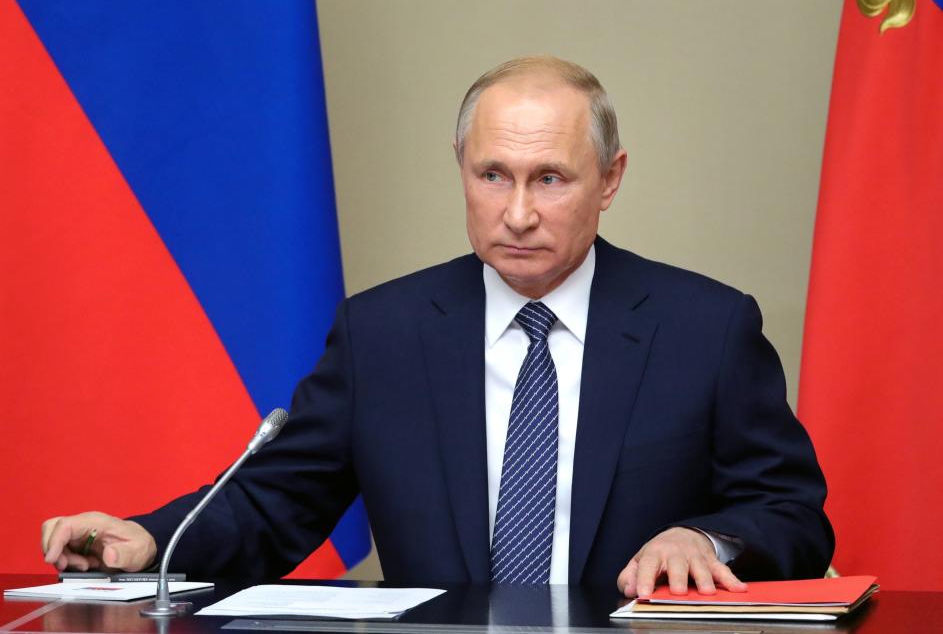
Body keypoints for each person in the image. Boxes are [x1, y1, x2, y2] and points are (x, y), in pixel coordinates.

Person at [42, 56, 833, 597]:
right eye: (492, 175)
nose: (516, 212)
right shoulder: (382, 332)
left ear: (609, 179)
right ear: (460, 164)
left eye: (549, 179)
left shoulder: (704, 327)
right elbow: (274, 502)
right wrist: (147, 540)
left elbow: (793, 515)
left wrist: (707, 537)